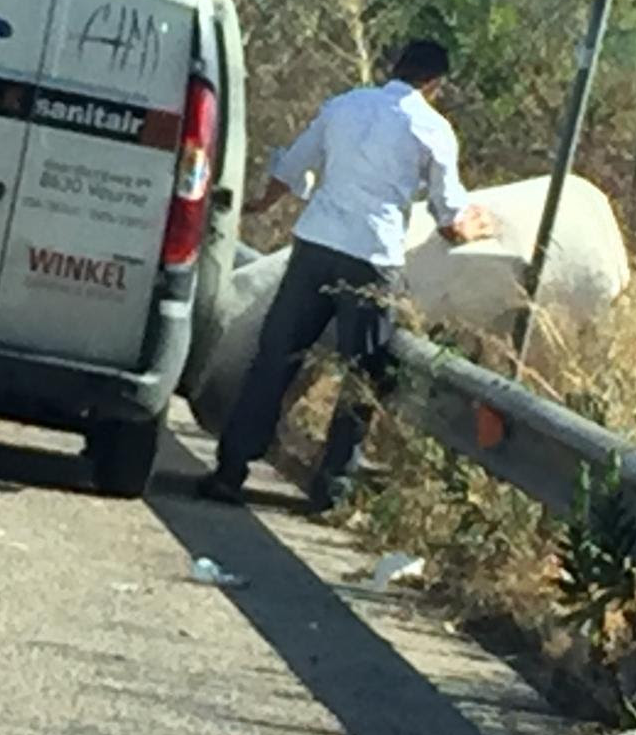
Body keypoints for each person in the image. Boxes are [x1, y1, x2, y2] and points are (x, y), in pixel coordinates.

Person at [197, 39, 494, 512]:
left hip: (314, 246)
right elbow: (450, 221)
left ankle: (230, 470)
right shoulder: (433, 129)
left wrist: (262, 204)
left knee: (276, 357)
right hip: (370, 258)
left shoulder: (345, 106)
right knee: (363, 372)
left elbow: (294, 165)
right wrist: (481, 226)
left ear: (393, 68)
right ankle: (331, 488)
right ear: (436, 84)